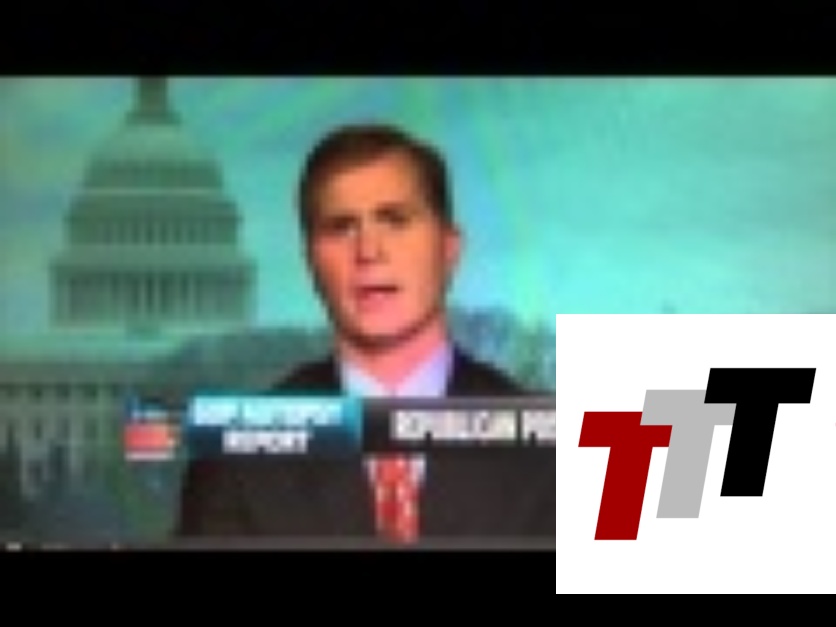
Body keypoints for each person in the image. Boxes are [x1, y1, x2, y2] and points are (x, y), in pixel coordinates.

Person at [175, 123, 554, 545]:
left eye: (395, 220)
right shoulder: (236, 461)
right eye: (341, 227)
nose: (369, 251)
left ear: (449, 249)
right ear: (311, 262)